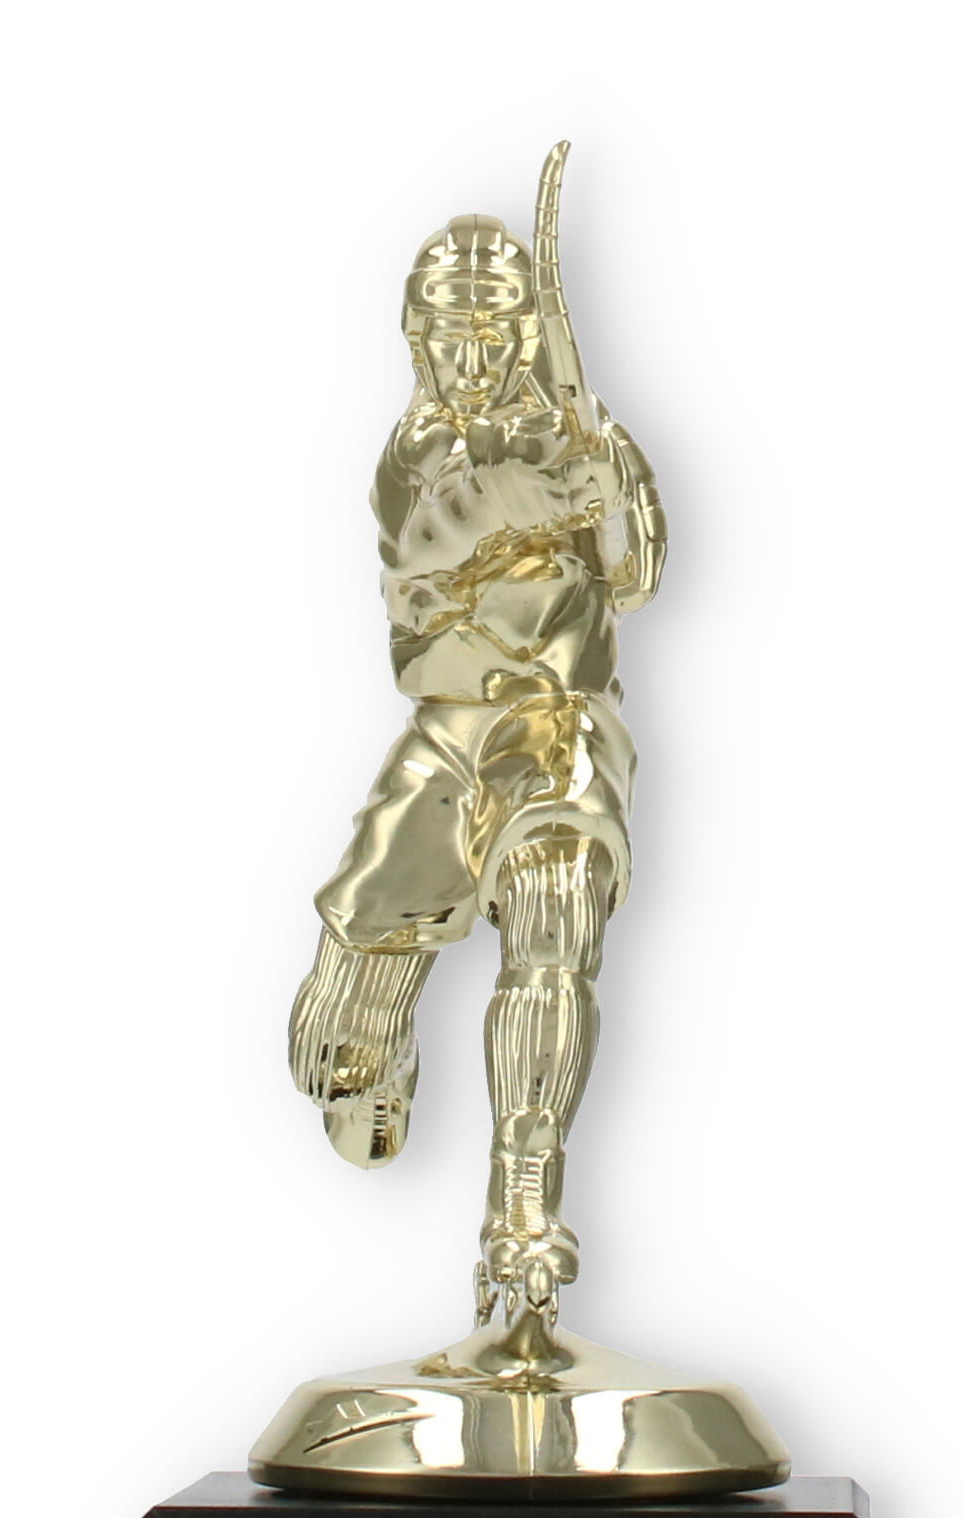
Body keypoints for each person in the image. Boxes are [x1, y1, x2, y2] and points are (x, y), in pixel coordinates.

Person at [287, 144, 666, 1324]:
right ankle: (364, 1021)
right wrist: (540, 494)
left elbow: (636, 576)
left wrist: (610, 492)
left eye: (491, 331)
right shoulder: (414, 459)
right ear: (419, 337)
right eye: (449, 334)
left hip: (555, 729)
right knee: (338, 1034)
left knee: (554, 921)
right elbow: (429, 568)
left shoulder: (577, 433)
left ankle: (521, 1210)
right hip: (450, 732)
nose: (472, 356)